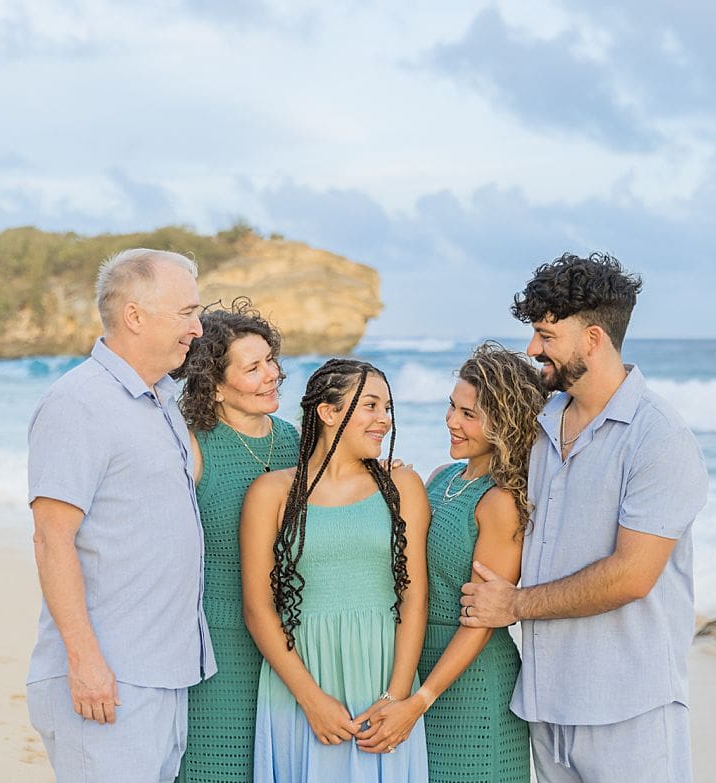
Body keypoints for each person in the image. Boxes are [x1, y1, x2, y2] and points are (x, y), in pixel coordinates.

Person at [460, 253, 709, 783]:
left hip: (629, 708)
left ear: (592, 339)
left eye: (546, 336)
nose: (532, 349)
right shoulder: (544, 423)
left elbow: (633, 575)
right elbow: (478, 472)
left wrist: (515, 604)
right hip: (547, 706)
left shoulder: (659, 437)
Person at [26, 247, 216, 782]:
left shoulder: (161, 401)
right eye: (186, 313)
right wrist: (86, 664)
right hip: (108, 678)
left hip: (163, 673)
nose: (197, 328)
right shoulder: (79, 403)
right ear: (134, 316)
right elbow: (51, 538)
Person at [241, 359, 431, 782]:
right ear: (328, 413)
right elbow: (258, 608)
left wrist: (397, 700)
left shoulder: (403, 487)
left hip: (382, 675)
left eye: (387, 408)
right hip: (299, 681)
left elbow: (414, 597)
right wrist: (311, 700)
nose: (384, 419)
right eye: (370, 405)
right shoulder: (271, 493)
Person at [377, 342, 546, 782]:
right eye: (452, 407)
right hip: (416, 669)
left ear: (505, 423)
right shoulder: (440, 478)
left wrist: (420, 700)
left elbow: (482, 618)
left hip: (473, 682)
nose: (451, 421)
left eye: (468, 414)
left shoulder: (501, 501)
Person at [172, 298, 300, 782]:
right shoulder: (190, 446)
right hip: (217, 641)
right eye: (253, 367)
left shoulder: (298, 440)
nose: (272, 374)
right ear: (216, 387)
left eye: (271, 360)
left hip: (293, 641)